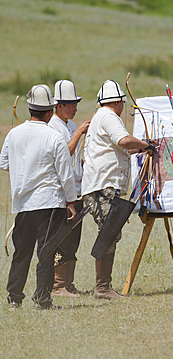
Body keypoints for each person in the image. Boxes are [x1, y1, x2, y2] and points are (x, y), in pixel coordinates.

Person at [0, 84, 77, 310]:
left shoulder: (14, 134)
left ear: (30, 109)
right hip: (49, 203)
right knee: (46, 252)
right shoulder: (54, 136)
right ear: (51, 111)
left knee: (21, 252)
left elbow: (3, 162)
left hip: (23, 204)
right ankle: (42, 300)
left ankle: (14, 298)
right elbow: (66, 173)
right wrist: (70, 202)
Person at [82, 79, 155, 300]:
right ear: (118, 102)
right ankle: (102, 288)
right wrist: (146, 145)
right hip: (103, 185)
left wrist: (141, 148)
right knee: (109, 232)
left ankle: (103, 287)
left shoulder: (100, 117)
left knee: (110, 232)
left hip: (101, 184)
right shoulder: (109, 116)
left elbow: (118, 149)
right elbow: (123, 141)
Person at [48, 80, 90, 297]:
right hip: (62, 192)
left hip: (77, 190)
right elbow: (64, 155)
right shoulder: (52, 127)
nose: (75, 108)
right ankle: (57, 285)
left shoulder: (71, 126)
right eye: (70, 104)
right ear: (59, 106)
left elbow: (76, 160)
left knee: (74, 239)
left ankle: (68, 282)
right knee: (61, 237)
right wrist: (79, 133)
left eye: (75, 104)